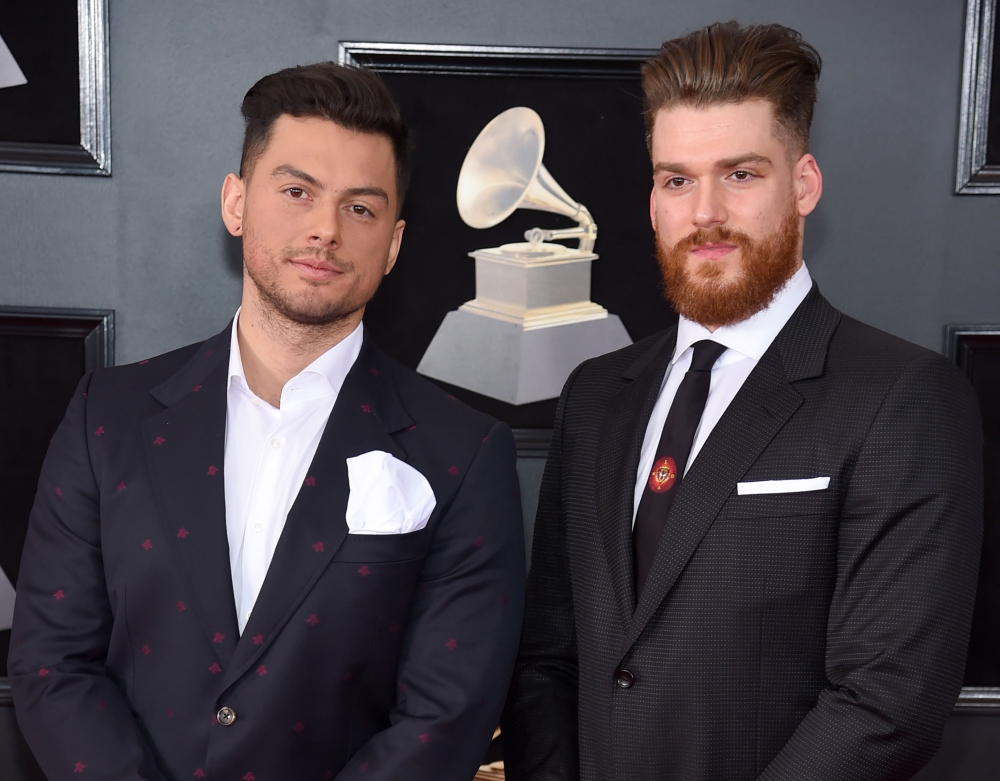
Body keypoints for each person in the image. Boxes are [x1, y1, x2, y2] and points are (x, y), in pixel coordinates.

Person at [9, 62, 525, 781]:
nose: (325, 229)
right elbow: (52, 663)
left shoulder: (463, 453)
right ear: (237, 203)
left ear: (395, 243)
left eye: (361, 208)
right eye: (296, 192)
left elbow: (447, 717)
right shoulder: (109, 417)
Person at [502, 21, 983, 781]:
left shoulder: (903, 396)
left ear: (804, 185)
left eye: (742, 174)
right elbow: (550, 657)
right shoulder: (596, 394)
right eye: (677, 179)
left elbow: (888, 701)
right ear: (654, 198)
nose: (706, 214)